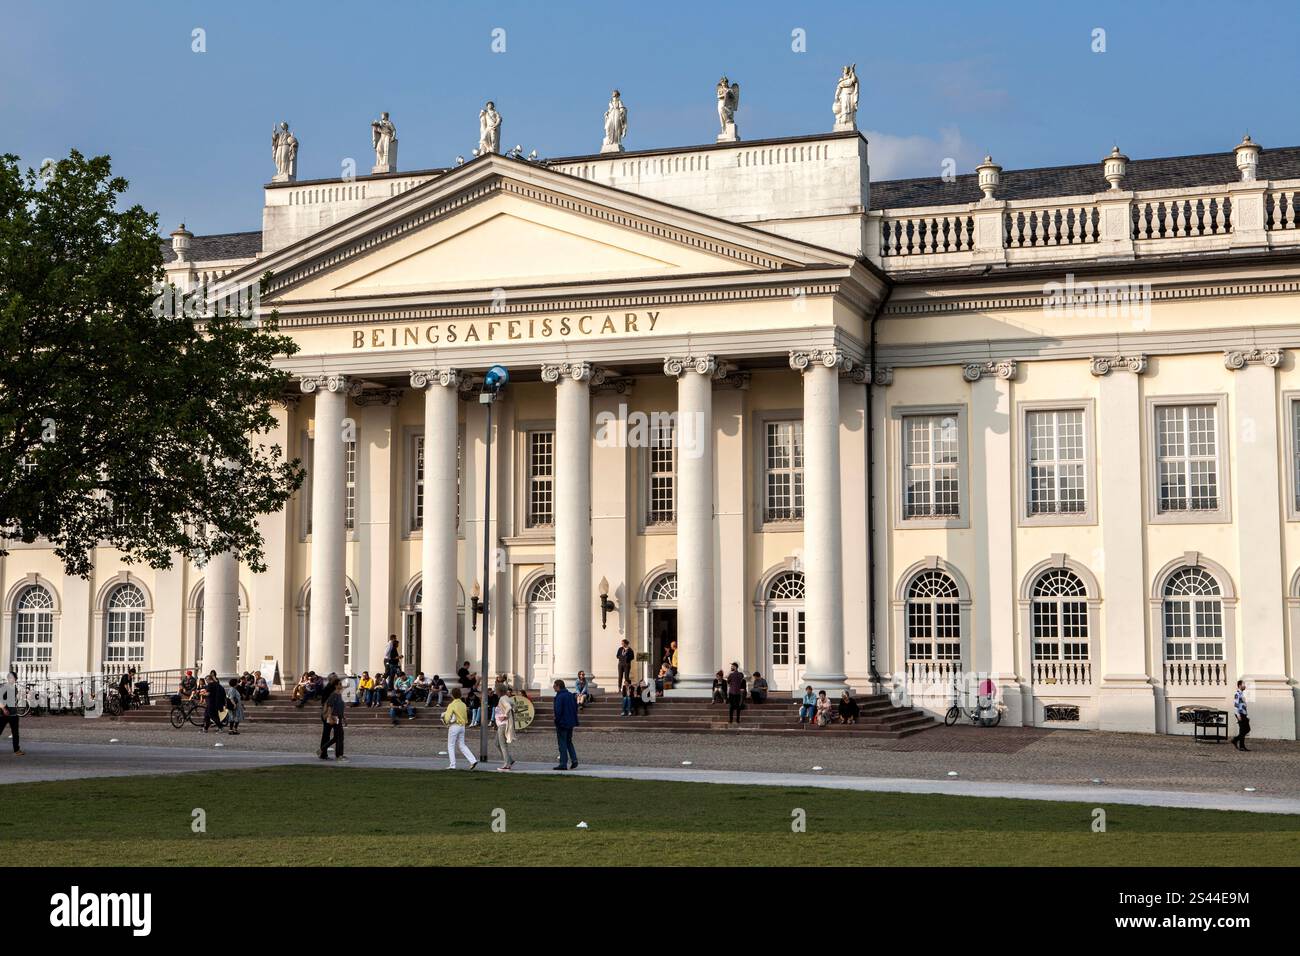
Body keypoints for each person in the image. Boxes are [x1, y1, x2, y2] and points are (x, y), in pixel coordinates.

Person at [441, 688, 478, 770]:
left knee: (451, 745)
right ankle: (473, 760)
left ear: (452, 695)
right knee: (462, 744)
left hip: (454, 726)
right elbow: (465, 716)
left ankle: (452, 765)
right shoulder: (463, 704)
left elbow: (447, 717)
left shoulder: (452, 704)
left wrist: (445, 721)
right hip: (462, 726)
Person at [552, 679, 580, 770]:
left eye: (554, 686)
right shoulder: (570, 695)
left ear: (558, 686)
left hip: (562, 723)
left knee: (562, 743)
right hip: (570, 722)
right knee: (569, 742)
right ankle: (574, 760)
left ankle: (563, 763)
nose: (553, 687)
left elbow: (558, 711)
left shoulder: (560, 696)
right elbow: (575, 708)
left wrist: (557, 721)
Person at [319, 676, 347, 762]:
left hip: (337, 717)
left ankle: (323, 750)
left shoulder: (339, 694)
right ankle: (338, 755)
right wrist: (330, 717)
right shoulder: (334, 694)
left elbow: (340, 708)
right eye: (339, 684)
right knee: (337, 736)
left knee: (337, 736)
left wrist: (344, 718)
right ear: (335, 686)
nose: (341, 685)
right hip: (333, 717)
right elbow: (330, 706)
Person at [493, 684, 516, 771]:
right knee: (497, 743)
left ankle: (507, 764)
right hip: (502, 724)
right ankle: (509, 760)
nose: (495, 692)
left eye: (496, 690)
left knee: (503, 745)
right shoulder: (507, 697)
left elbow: (509, 707)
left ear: (499, 691)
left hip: (503, 724)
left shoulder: (502, 699)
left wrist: (505, 715)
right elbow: (513, 705)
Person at [0, 671, 23, 756]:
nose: (14, 680)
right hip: (3, 714)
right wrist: (4, 709)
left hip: (13, 714)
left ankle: (16, 750)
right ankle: (16, 750)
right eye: (12, 678)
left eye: (14, 678)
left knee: (15, 733)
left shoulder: (14, 688)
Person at [1232, 679, 1251, 752]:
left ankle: (1241, 745)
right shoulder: (1237, 694)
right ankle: (1235, 740)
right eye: (1243, 684)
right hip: (1240, 714)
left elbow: (1242, 705)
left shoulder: (1241, 694)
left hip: (1243, 714)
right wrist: (1238, 715)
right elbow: (1236, 705)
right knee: (1246, 729)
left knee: (1244, 730)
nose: (1245, 686)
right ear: (1240, 685)